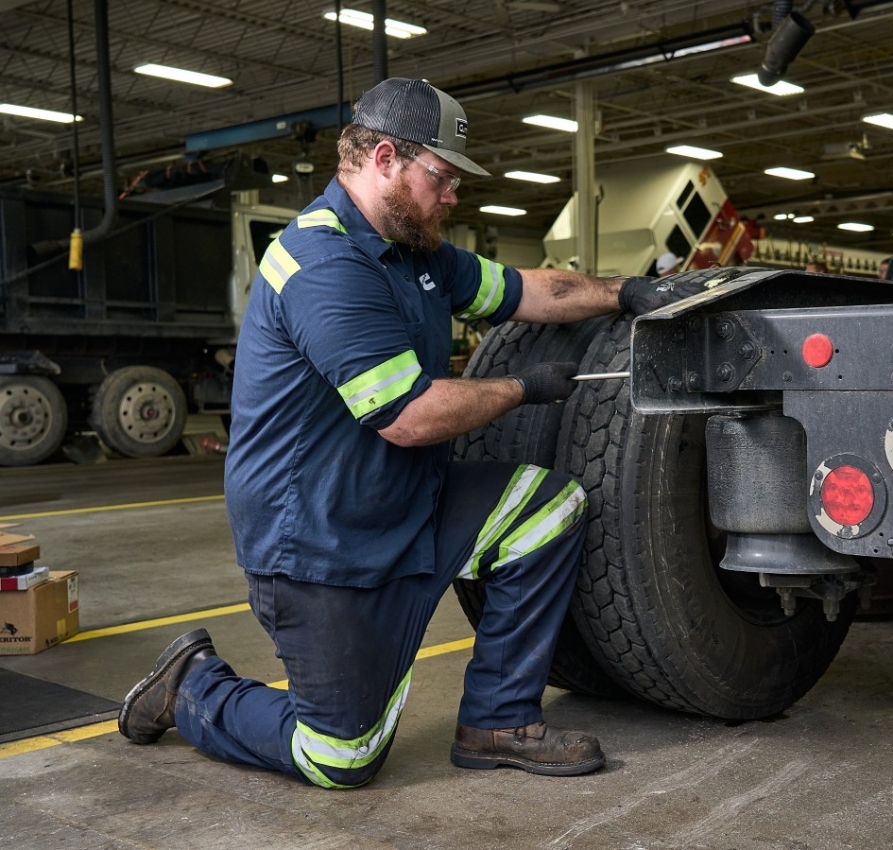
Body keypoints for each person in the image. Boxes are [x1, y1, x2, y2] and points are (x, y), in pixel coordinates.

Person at [117, 78, 702, 787]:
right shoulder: (324, 264)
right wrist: (521, 388)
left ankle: (497, 719)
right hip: (322, 544)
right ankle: (193, 687)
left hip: (407, 505)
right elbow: (409, 417)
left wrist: (627, 292)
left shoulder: (417, 252)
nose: (453, 196)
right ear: (386, 158)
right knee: (341, 759)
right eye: (443, 178)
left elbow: (528, 290)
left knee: (551, 506)